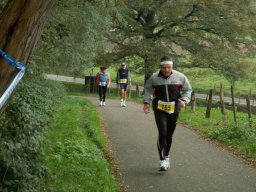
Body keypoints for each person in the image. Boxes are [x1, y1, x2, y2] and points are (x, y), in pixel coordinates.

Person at [143, 56, 192, 171]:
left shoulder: (180, 77)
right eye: (164, 67)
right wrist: (146, 102)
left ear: (172, 67)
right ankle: (162, 160)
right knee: (163, 133)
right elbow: (147, 89)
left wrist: (184, 100)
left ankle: (167, 156)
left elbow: (188, 90)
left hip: (174, 108)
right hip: (159, 108)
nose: (166, 70)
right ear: (160, 67)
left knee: (169, 135)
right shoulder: (154, 77)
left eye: (168, 67)